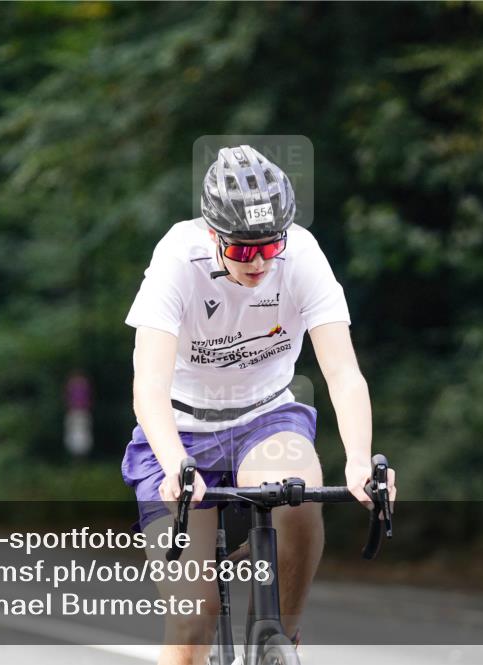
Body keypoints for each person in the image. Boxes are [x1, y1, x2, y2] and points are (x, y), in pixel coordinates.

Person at [121, 145, 396, 665]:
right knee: (191, 621)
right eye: (244, 251)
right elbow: (148, 387)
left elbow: (342, 371)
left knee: (296, 497)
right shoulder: (177, 259)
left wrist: (359, 459)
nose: (262, 262)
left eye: (272, 246)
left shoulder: (304, 255)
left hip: (264, 417)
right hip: (177, 428)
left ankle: (279, 640)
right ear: (212, 235)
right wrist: (176, 462)